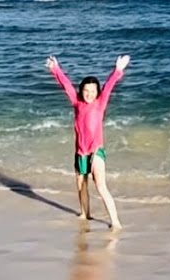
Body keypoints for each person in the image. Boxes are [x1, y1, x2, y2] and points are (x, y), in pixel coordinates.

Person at [46, 54, 129, 229]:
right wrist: (55, 69)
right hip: (80, 152)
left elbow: (109, 86)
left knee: (100, 186)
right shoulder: (77, 102)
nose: (89, 94)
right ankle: (85, 213)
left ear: (97, 93)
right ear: (81, 90)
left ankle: (115, 222)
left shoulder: (100, 103)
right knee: (80, 185)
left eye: (93, 91)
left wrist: (118, 70)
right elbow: (66, 85)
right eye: (86, 91)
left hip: (95, 151)